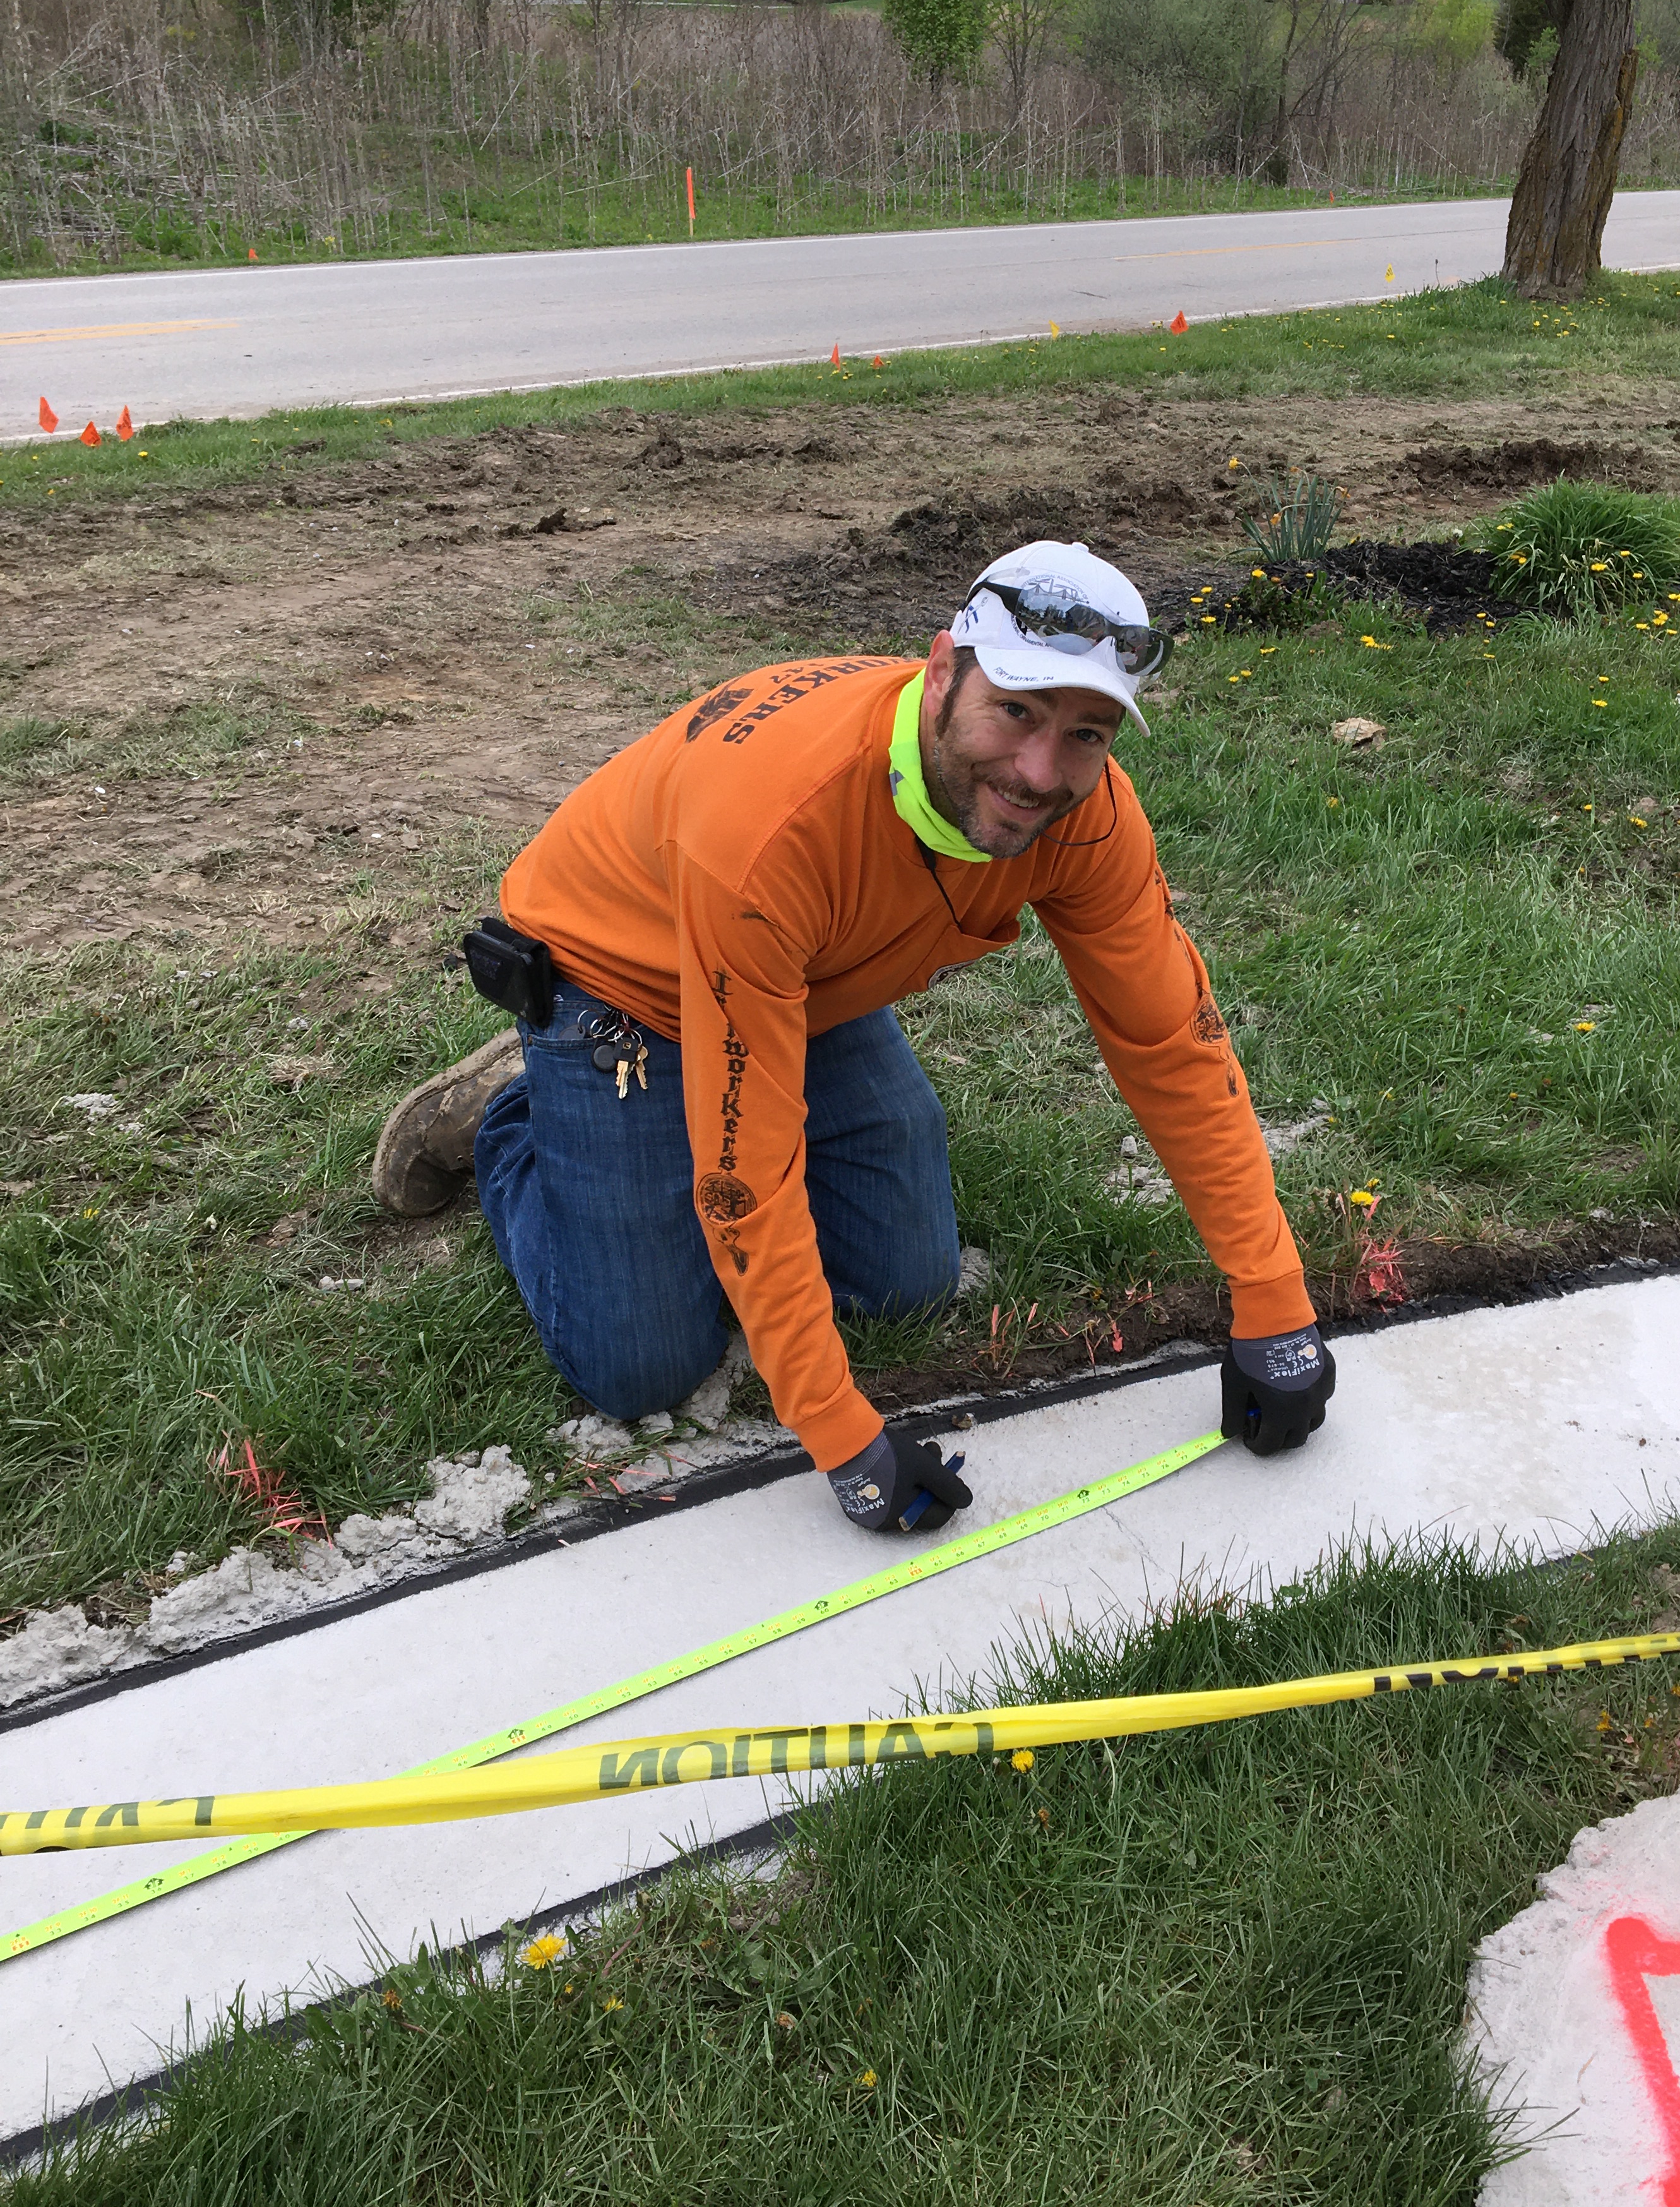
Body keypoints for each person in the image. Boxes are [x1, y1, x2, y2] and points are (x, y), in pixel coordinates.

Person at [371, 540, 1333, 1533]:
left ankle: (638, 1125)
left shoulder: (1085, 820)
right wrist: (838, 1434)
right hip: (623, 983)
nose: (1041, 772)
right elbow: (749, 1165)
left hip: (803, 970)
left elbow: (1171, 1042)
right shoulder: (775, 831)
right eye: (1017, 711)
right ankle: (510, 1120)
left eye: (1086, 733)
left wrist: (1276, 1304)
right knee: (642, 1363)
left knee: (905, 1282)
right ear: (942, 671)